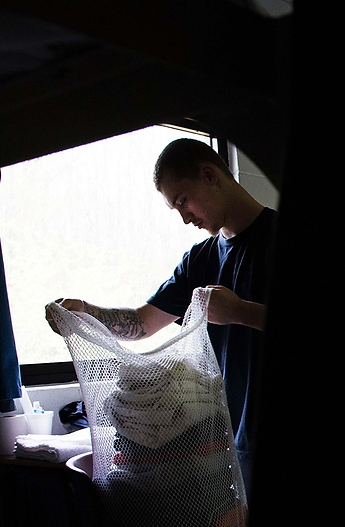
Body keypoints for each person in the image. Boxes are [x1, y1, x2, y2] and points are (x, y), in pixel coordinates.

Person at [47, 138, 273, 492]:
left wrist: (238, 312)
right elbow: (143, 322)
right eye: (176, 209)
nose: (185, 218)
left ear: (209, 174)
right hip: (227, 441)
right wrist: (86, 313)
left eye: (183, 200)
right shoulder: (199, 261)